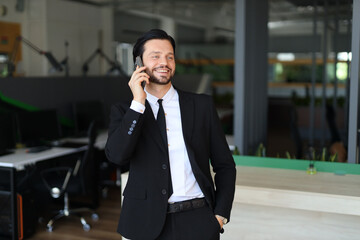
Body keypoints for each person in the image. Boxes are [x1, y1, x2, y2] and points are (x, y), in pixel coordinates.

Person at [105, 29, 236, 240]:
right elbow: (117, 156)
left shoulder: (201, 105)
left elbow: (225, 165)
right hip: (143, 222)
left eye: (169, 56)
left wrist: (220, 215)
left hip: (198, 219)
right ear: (138, 64)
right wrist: (138, 103)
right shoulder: (125, 111)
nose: (164, 62)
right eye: (155, 56)